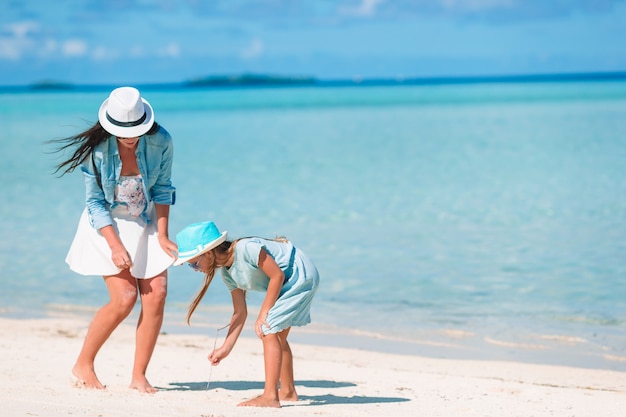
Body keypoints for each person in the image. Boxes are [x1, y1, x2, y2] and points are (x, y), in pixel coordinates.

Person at [50, 86, 177, 393]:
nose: (130, 136)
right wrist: (115, 246)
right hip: (107, 225)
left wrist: (162, 234)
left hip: (145, 220)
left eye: (135, 130)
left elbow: (162, 188)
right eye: (123, 131)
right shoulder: (97, 150)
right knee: (124, 298)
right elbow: (94, 203)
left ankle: (138, 376)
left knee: (157, 292)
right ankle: (83, 363)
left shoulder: (161, 141)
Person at [174, 221, 320, 408]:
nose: (196, 269)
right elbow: (240, 312)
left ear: (208, 253)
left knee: (268, 329)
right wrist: (225, 348)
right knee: (276, 334)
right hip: (288, 281)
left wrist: (264, 313)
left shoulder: (246, 249)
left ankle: (270, 396)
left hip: (300, 274)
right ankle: (288, 392)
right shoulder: (228, 275)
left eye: (194, 264)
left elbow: (277, 276)